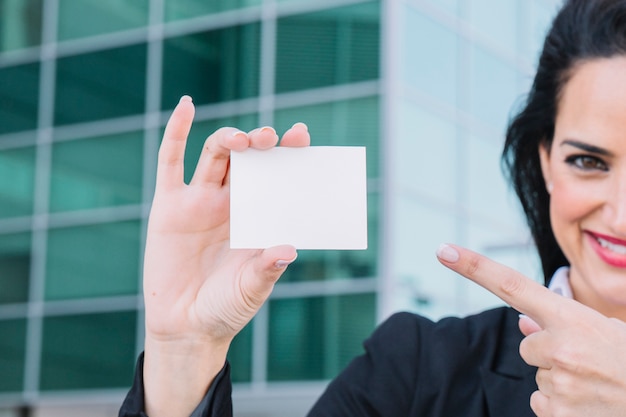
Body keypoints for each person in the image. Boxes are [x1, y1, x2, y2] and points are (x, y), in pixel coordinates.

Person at [118, 0, 626, 415]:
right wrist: (184, 351)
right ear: (545, 162)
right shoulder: (418, 372)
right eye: (588, 161)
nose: (620, 214)